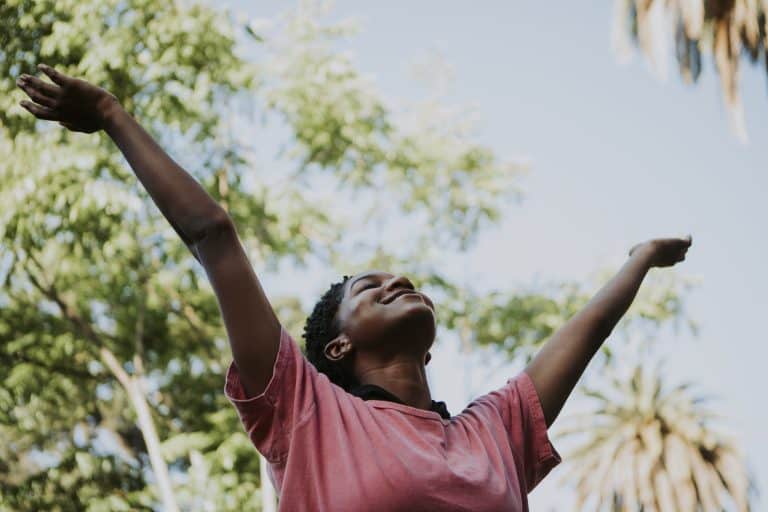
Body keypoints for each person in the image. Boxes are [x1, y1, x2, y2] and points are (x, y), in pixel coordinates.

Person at [17, 64, 692, 512]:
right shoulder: (304, 408)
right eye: (372, 288)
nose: (398, 281)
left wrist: (640, 259)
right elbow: (214, 236)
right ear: (336, 347)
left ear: (430, 353)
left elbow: (589, 328)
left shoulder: (494, 432)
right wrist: (110, 113)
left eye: (403, 280)